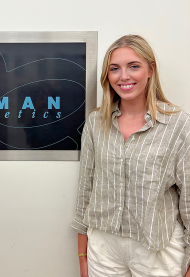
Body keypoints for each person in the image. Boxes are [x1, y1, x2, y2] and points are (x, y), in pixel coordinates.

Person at [71, 35, 190, 277]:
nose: (123, 76)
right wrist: (82, 257)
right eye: (114, 69)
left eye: (133, 66)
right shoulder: (96, 123)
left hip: (158, 249)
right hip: (104, 248)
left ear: (150, 70)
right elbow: (86, 191)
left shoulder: (178, 124)